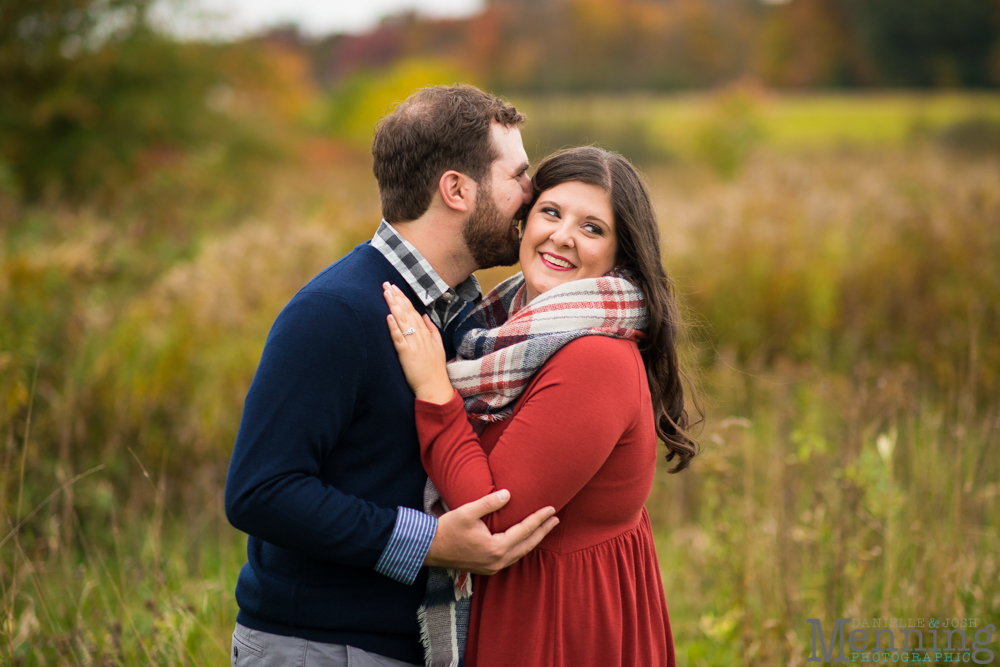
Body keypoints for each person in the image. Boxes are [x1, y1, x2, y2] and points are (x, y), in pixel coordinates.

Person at [224, 84, 560, 667]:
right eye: (519, 176)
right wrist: (429, 543)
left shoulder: (460, 312)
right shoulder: (335, 313)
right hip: (319, 647)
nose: (532, 197)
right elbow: (260, 490)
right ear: (456, 189)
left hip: (407, 644)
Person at [381, 146, 699, 667]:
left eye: (593, 228)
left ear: (621, 256)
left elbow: (492, 519)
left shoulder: (596, 357)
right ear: (524, 223)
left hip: (558, 627)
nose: (563, 236)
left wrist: (436, 389)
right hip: (527, 606)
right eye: (551, 213)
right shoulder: (501, 333)